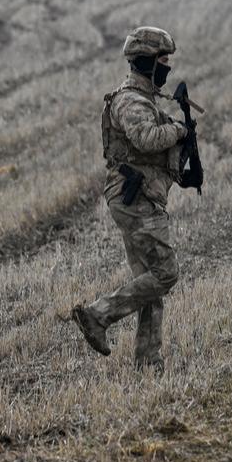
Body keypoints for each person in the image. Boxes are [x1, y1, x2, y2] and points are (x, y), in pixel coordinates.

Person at [72, 26, 190, 372]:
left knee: (148, 281)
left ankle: (148, 360)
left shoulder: (146, 100)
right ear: (147, 62)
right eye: (163, 60)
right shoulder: (130, 101)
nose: (167, 67)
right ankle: (98, 314)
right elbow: (146, 138)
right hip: (134, 199)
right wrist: (180, 130)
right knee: (166, 274)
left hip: (139, 197)